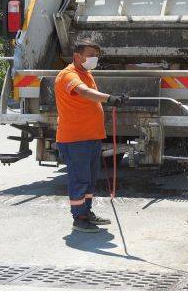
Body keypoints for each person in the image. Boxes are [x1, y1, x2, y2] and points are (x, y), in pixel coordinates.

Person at [55, 39, 129, 233]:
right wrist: (109, 98)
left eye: (96, 55)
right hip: (75, 139)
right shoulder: (68, 75)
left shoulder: (86, 73)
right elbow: (84, 92)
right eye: (90, 55)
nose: (93, 59)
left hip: (90, 138)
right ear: (77, 56)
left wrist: (111, 100)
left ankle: (86, 212)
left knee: (89, 180)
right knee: (79, 180)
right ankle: (79, 218)